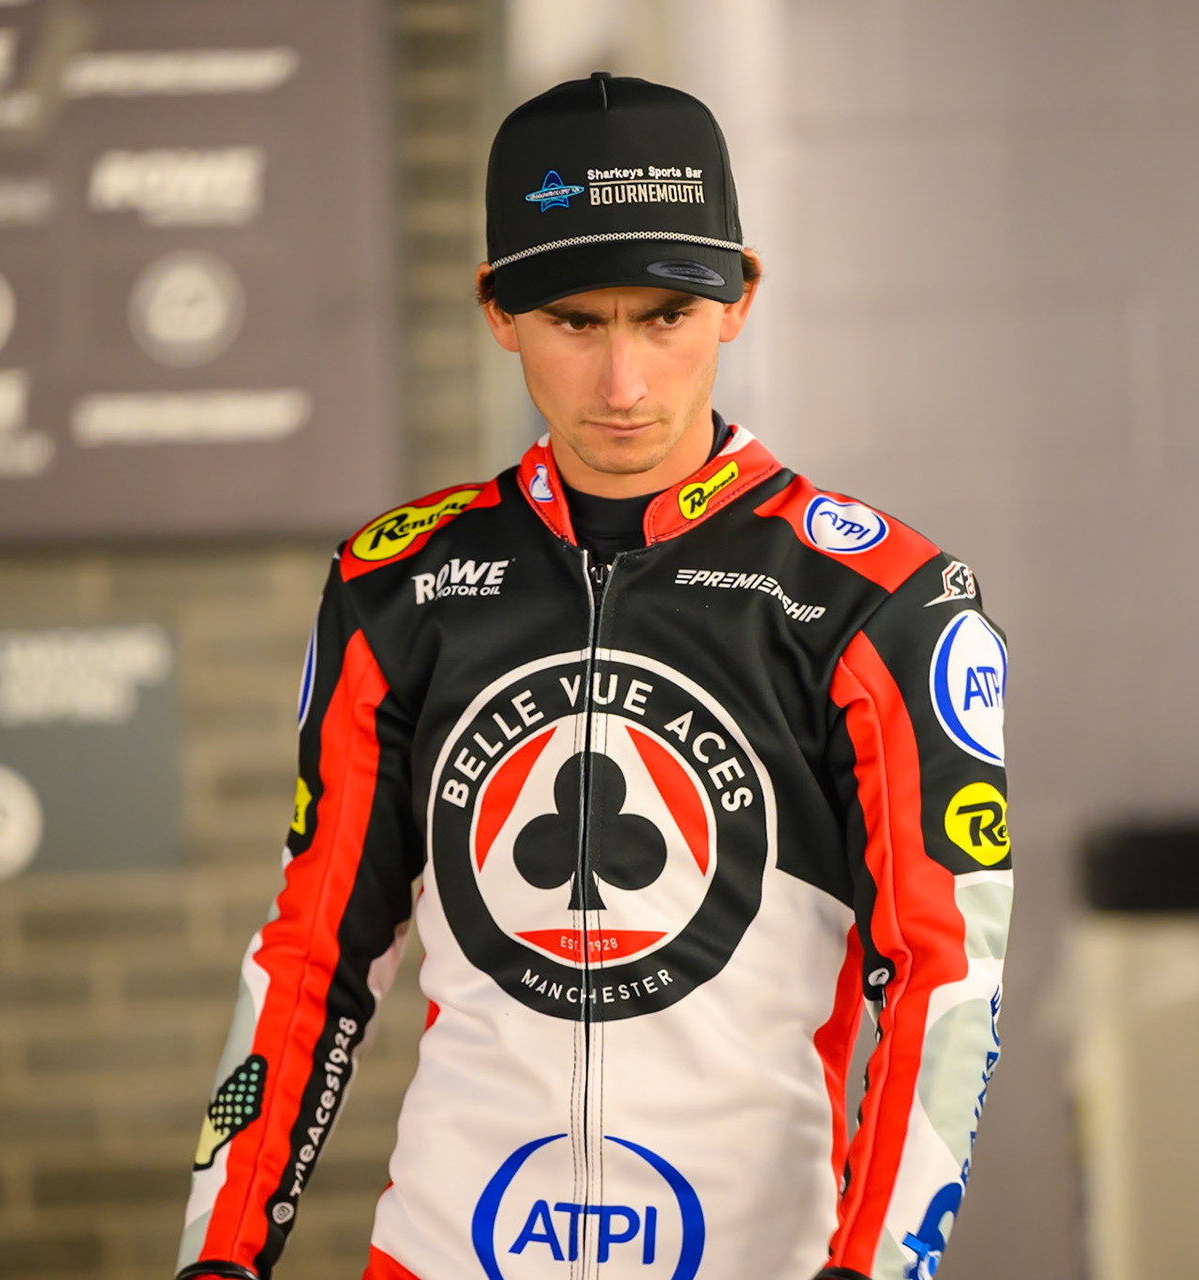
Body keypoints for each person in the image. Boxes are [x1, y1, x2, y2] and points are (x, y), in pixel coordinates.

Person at [174, 72, 1011, 1280]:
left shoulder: (878, 601)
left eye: (665, 316)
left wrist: (873, 1269)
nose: (623, 385)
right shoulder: (394, 583)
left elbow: (947, 980)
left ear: (740, 297)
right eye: (576, 321)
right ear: (497, 309)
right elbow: (313, 955)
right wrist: (221, 1256)